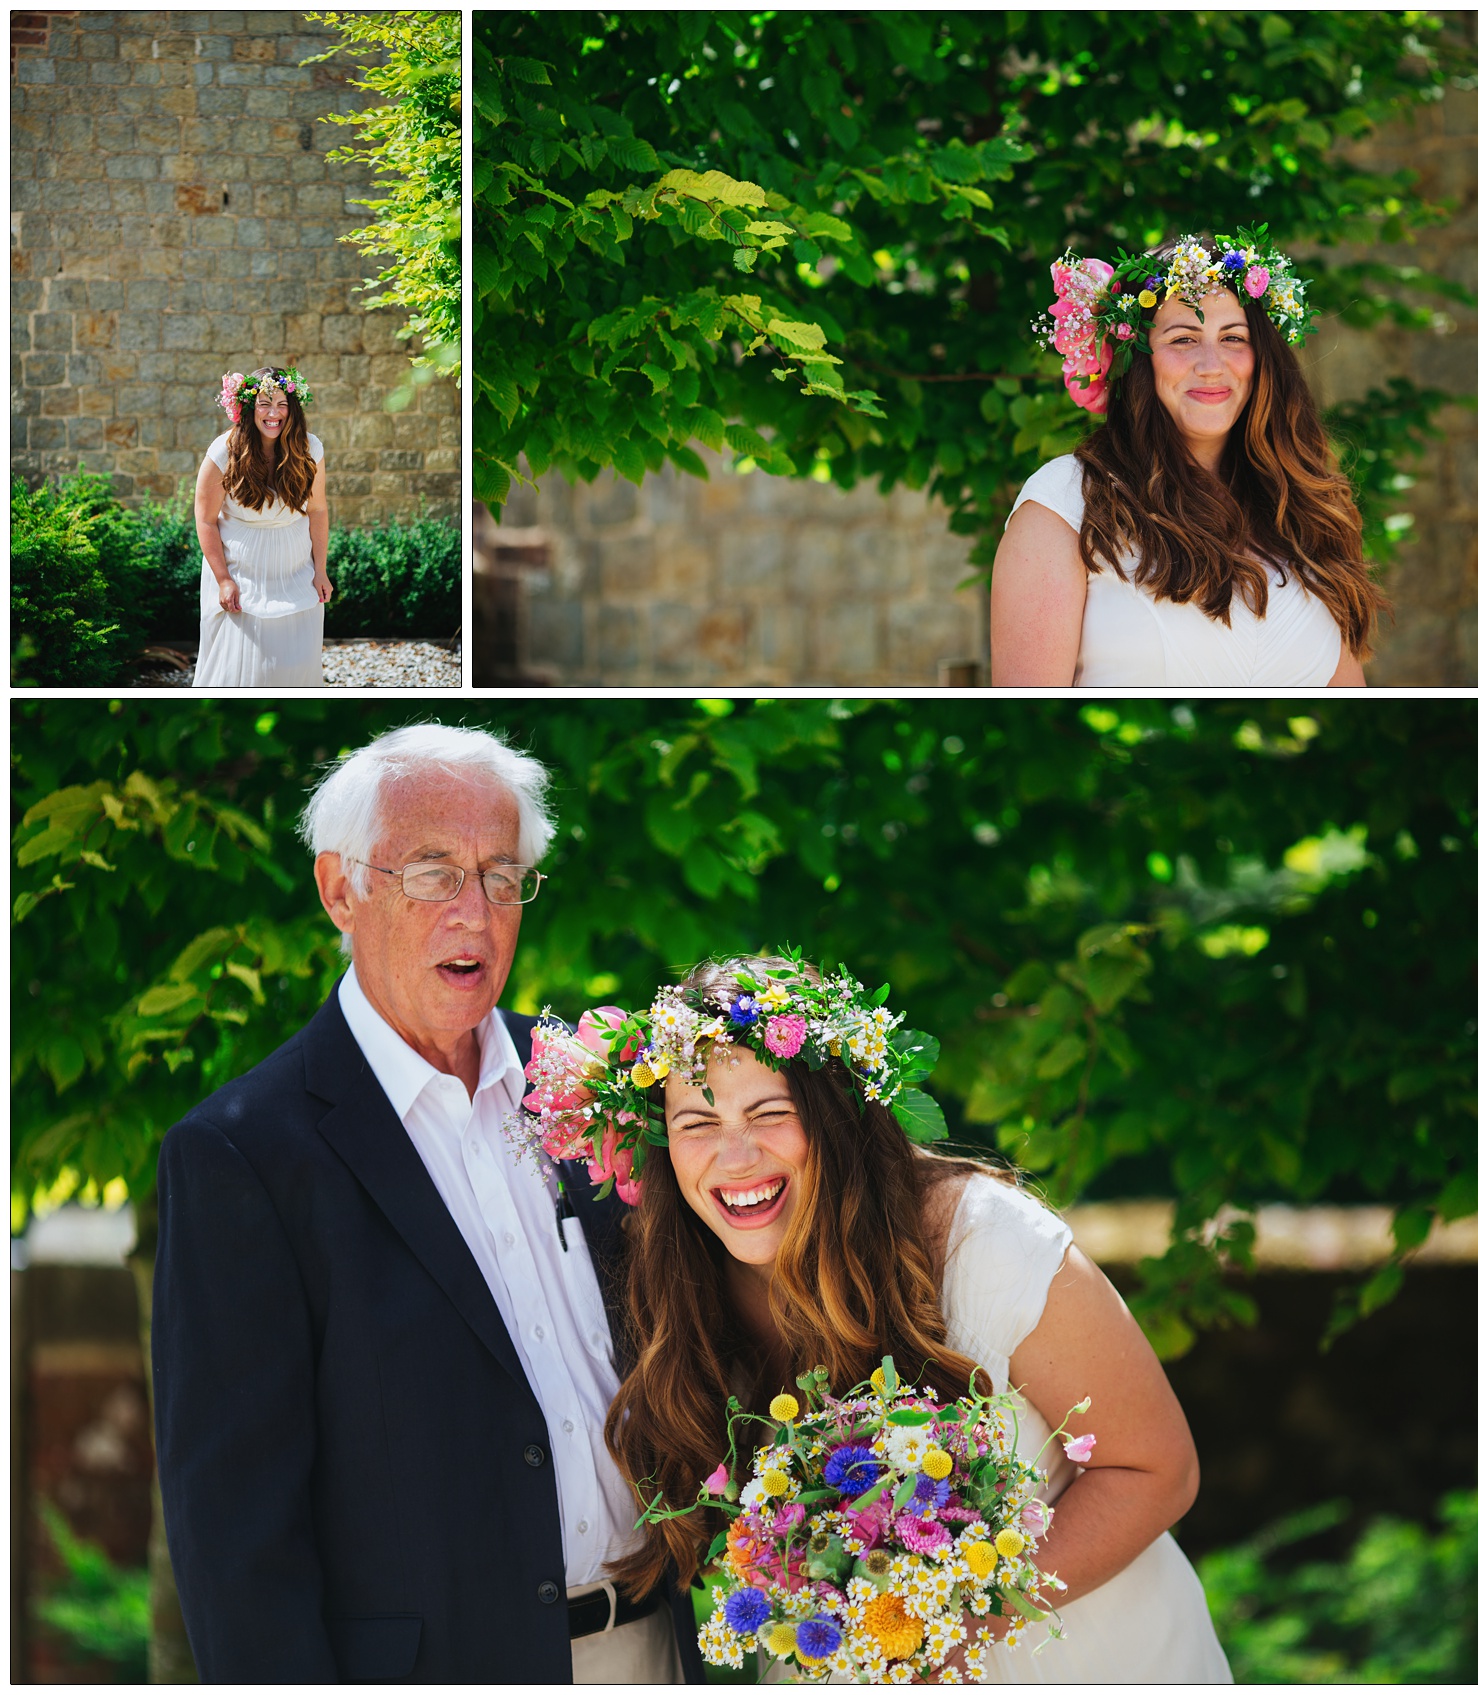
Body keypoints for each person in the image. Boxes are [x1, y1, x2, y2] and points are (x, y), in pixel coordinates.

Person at [152, 724, 697, 1683]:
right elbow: (236, 1539)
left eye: (500, 874)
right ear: (340, 889)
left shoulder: (592, 1082)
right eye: (434, 872)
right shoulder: (241, 1151)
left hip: (660, 1650)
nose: (476, 915)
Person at [557, 955, 1231, 1683]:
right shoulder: (680, 1294)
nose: (736, 1155)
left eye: (770, 1112)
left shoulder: (983, 1240)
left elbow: (1159, 1468)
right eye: (698, 1121)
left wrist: (942, 1623)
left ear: (837, 1118)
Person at [991, 228, 1387, 687]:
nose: (1212, 364)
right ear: (1140, 360)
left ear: (1263, 358)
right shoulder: (1065, 504)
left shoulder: (1303, 509)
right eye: (1183, 339)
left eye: (1234, 338)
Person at [192, 365, 332, 687]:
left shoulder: (310, 449)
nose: (274, 413)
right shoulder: (223, 452)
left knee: (295, 669)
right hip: (242, 578)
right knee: (243, 674)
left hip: (297, 573)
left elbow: (318, 510)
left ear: (293, 409)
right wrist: (224, 579)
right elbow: (205, 520)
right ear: (249, 408)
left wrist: (320, 569)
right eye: (265, 404)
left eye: (282, 404)